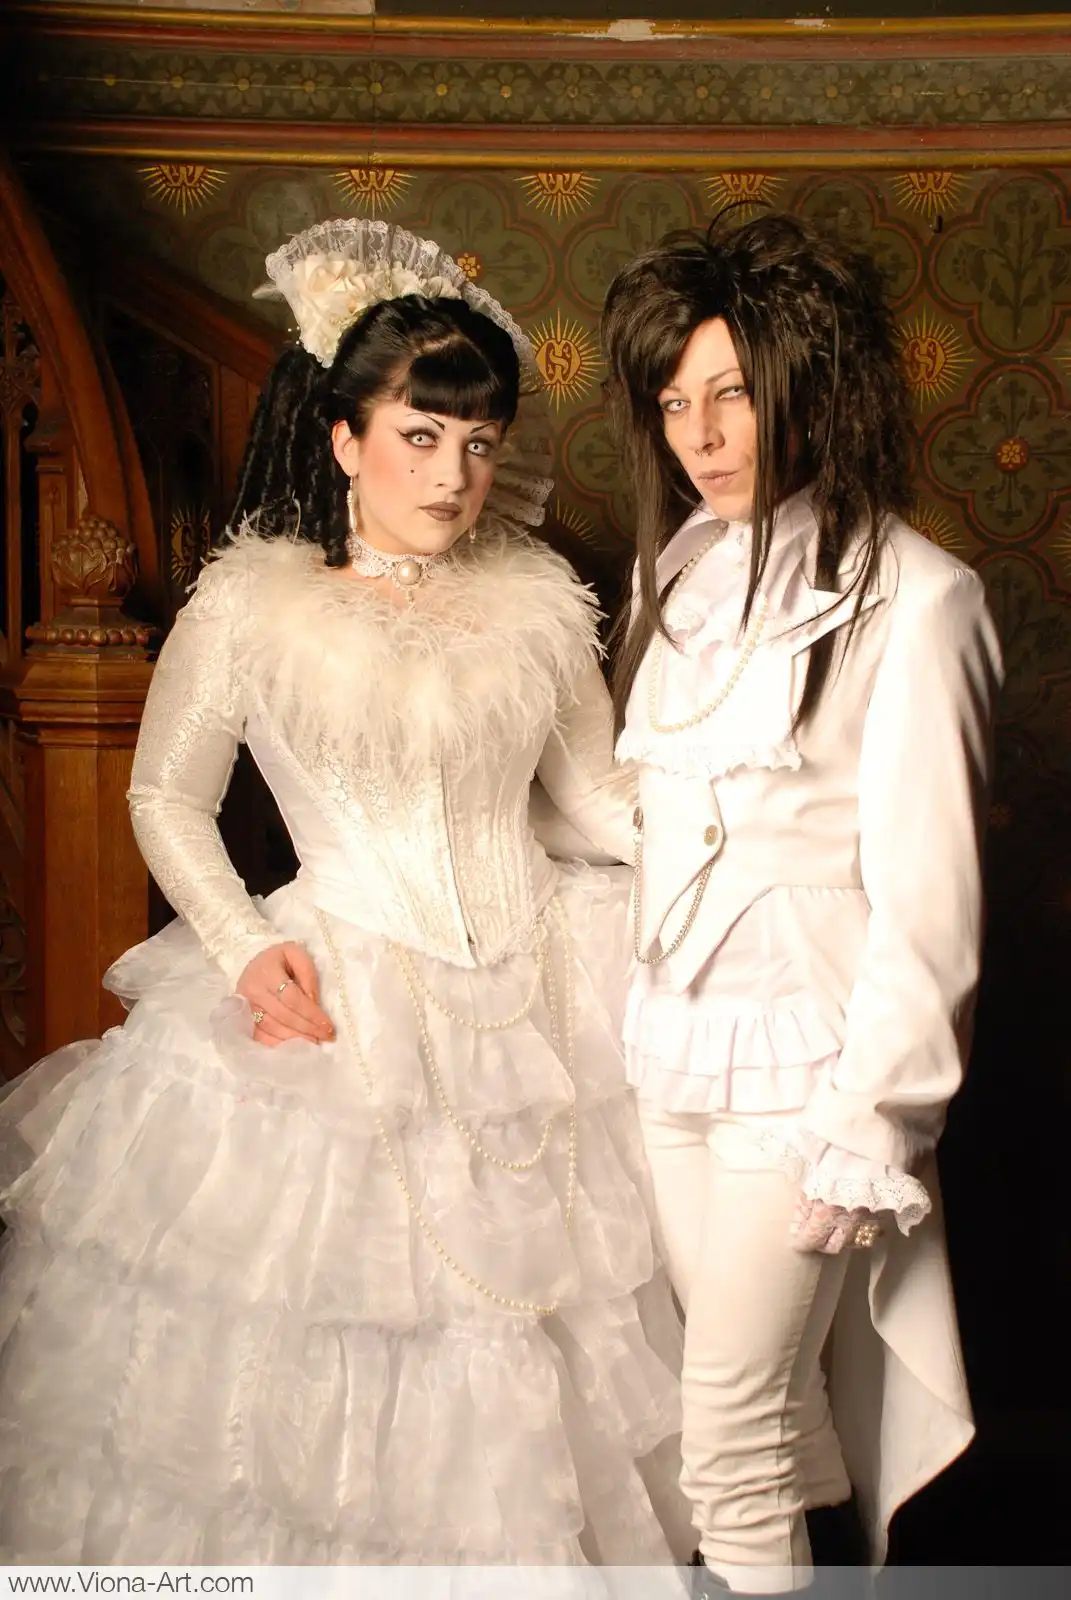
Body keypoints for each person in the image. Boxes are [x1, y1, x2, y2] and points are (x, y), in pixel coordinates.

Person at [0, 219, 689, 1568]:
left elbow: (594, 801)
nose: (452, 474)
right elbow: (164, 798)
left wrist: (740, 833)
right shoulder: (252, 610)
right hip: (342, 981)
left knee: (560, 1354)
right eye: (419, 436)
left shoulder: (538, 605)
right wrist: (242, 946)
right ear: (343, 440)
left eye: (478, 442)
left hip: (545, 987)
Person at [600, 213, 1003, 1597]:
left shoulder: (921, 597)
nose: (701, 437)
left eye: (732, 395)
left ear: (810, 390)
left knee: (730, 1432)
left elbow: (933, 901)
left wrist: (877, 1115)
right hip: (670, 1050)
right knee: (741, 1419)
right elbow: (653, 822)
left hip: (810, 1073)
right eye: (674, 404)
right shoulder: (675, 575)